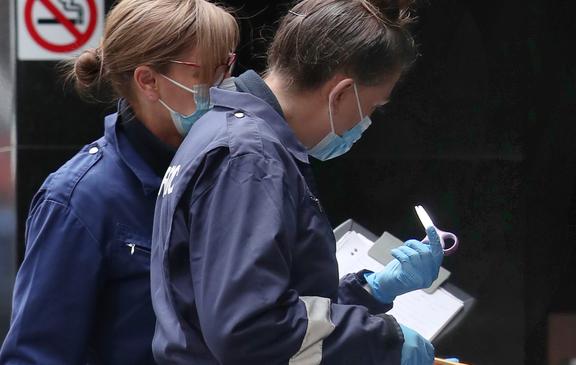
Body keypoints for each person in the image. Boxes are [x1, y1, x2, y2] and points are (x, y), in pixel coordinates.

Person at [151, 0, 448, 364]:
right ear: (341, 94)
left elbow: (277, 302)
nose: (366, 123)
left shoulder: (230, 132)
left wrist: (370, 290)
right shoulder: (250, 156)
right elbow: (250, 328)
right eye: (371, 107)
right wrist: (383, 342)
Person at [0, 0, 238, 363]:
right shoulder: (78, 198)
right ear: (149, 81)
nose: (222, 86)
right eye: (204, 73)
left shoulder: (221, 168)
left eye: (228, 67)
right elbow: (35, 354)